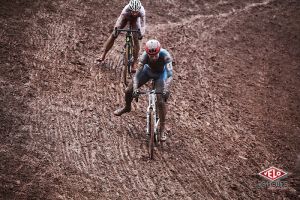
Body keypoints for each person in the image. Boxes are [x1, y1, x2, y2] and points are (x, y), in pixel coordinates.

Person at [114, 39, 173, 141]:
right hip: (147, 72)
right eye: (151, 56)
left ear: (159, 51)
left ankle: (162, 129)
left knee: (160, 100)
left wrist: (166, 88)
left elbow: (170, 75)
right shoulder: (144, 56)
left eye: (156, 55)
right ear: (147, 54)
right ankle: (127, 107)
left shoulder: (166, 55)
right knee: (129, 90)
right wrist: (136, 88)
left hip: (161, 75)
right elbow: (136, 76)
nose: (154, 58)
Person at [96, 0, 146, 72]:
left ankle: (134, 62)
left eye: (136, 12)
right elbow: (119, 21)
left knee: (136, 39)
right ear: (130, 9)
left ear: (139, 10)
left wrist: (141, 33)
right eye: (133, 11)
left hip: (135, 21)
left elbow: (143, 24)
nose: (135, 14)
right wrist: (116, 29)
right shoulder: (126, 9)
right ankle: (103, 55)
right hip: (125, 18)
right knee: (113, 35)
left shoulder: (142, 11)